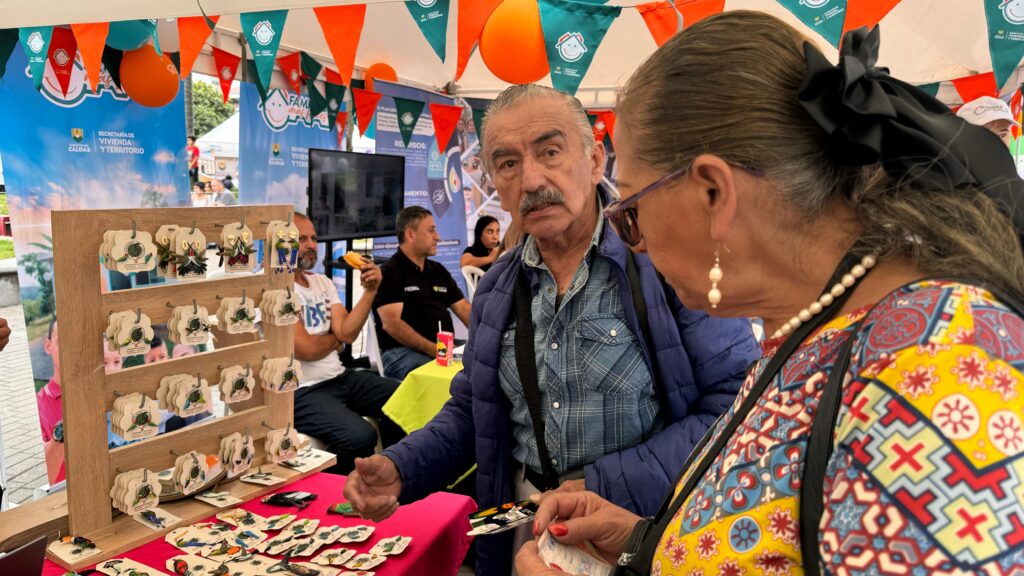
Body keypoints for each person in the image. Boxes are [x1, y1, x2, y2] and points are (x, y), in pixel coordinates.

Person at [513, 12, 1024, 576]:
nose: (633, 243)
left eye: (631, 212)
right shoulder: (827, 324)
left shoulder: (936, 368)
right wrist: (644, 543)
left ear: (714, 192)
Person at [346, 85, 759, 576]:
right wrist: (401, 467)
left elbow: (739, 404)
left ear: (595, 160)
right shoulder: (499, 286)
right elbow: (475, 410)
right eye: (507, 164)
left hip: (646, 529)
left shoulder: (664, 264)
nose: (532, 179)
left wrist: (604, 484)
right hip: (525, 525)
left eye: (550, 151)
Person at [291, 212, 403, 474]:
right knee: (360, 436)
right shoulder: (274, 289)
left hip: (340, 377)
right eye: (301, 238)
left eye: (314, 238)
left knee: (403, 398)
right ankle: (325, 491)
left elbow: (348, 333)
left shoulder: (322, 282)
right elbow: (306, 349)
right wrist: (336, 340)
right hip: (302, 390)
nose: (311, 244)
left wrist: (371, 291)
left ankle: (394, 474)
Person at [370, 206, 472, 380]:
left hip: (442, 349)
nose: (438, 237)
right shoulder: (390, 271)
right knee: (452, 377)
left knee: (486, 362)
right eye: (431, 231)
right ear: (410, 235)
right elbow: (391, 324)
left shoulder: (438, 270)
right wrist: (433, 349)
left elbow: (463, 309)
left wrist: (486, 336)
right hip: (401, 353)